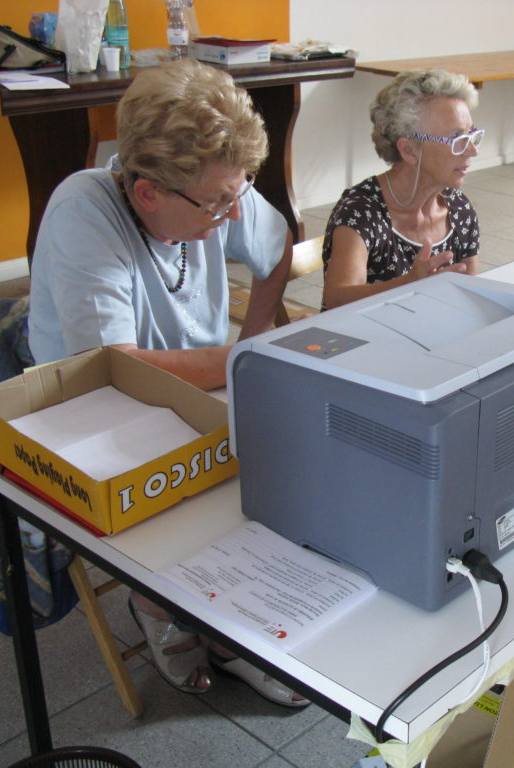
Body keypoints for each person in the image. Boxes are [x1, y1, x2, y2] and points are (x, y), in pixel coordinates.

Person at [27, 59, 307, 707]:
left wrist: (251, 342)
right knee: (175, 498)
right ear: (148, 192)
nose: (232, 212)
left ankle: (226, 616)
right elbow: (115, 366)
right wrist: (244, 361)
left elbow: (277, 246)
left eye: (239, 193)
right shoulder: (82, 212)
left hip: (192, 377)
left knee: (276, 457)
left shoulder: (216, 183)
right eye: (217, 204)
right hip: (91, 396)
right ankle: (159, 604)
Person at [322, 68, 481, 309]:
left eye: (471, 135)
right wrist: (409, 284)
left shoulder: (459, 209)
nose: (472, 150)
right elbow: (336, 299)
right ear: (409, 150)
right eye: (457, 138)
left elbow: (472, 297)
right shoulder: (361, 211)